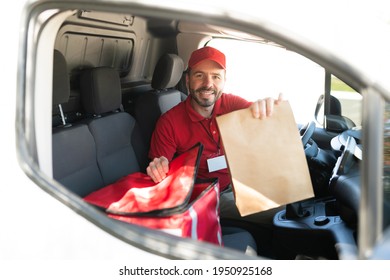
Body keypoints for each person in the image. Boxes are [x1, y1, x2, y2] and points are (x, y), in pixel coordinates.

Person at [146, 46, 283, 254]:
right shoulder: (169, 123)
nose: (208, 84)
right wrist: (158, 167)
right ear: (187, 80)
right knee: (284, 211)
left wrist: (267, 108)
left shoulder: (231, 104)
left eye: (216, 77)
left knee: (291, 198)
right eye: (200, 75)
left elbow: (260, 116)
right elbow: (160, 167)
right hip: (207, 196)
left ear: (224, 81)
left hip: (237, 182)